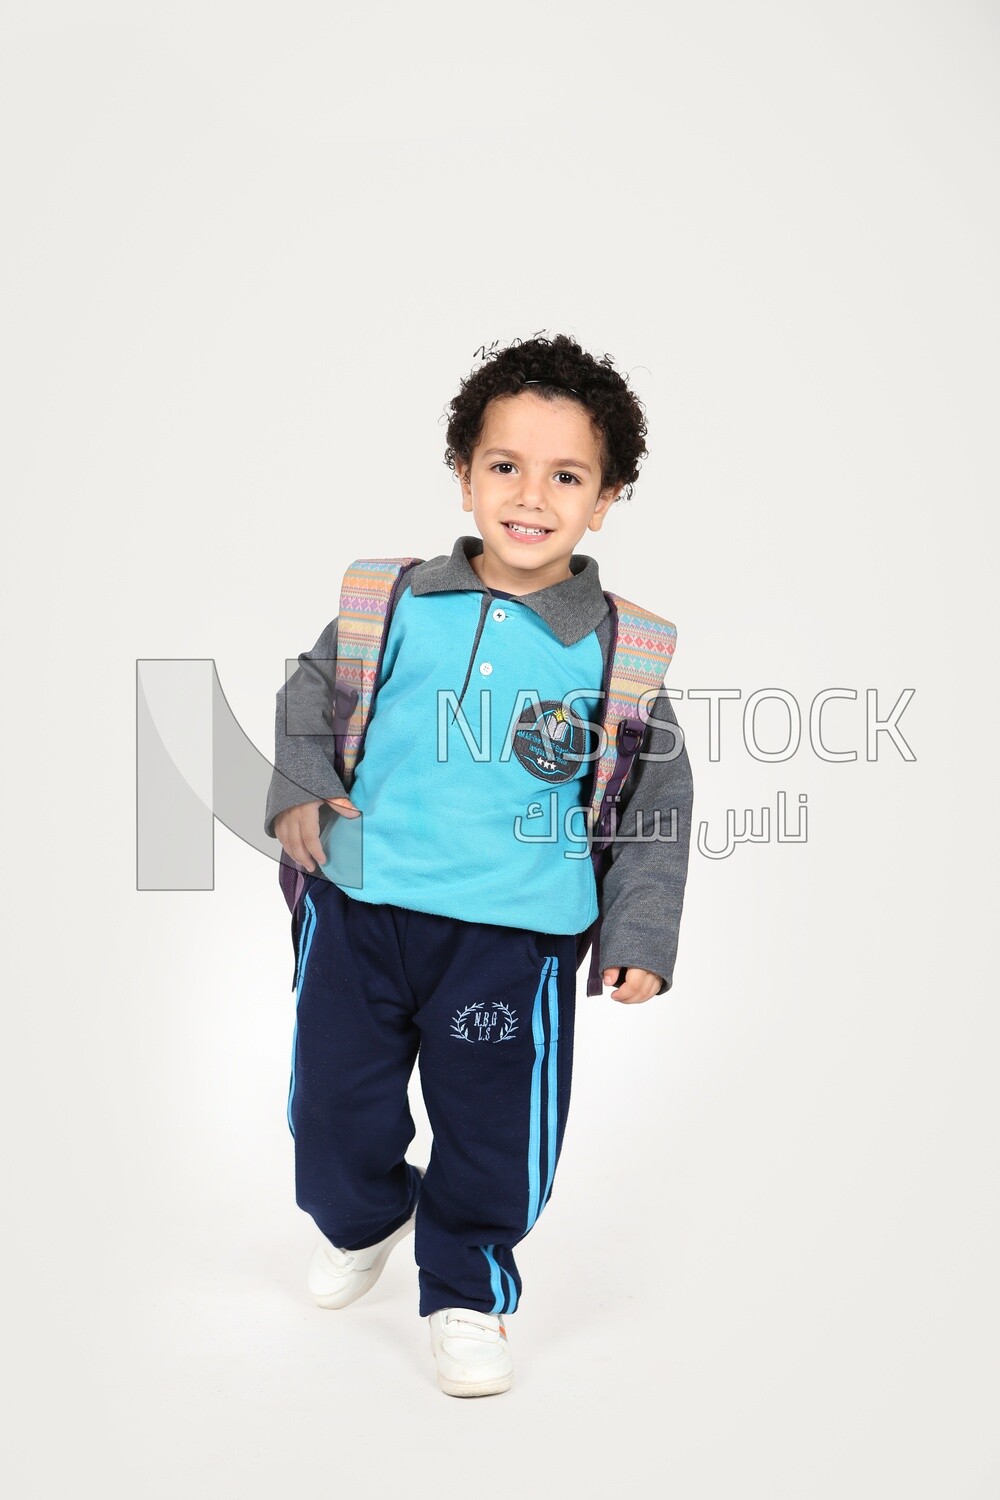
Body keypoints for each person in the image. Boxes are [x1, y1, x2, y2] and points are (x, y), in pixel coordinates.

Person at [264, 332, 694, 1397]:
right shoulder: (393, 600)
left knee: (494, 1126)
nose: (530, 496)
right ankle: (364, 1218)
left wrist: (637, 935)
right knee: (330, 1106)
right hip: (362, 912)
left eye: (567, 475)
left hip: (514, 935)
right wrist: (299, 789)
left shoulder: (617, 651)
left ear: (606, 499)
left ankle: (466, 1287)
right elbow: (309, 700)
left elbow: (657, 804)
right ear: (463, 473)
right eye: (505, 465)